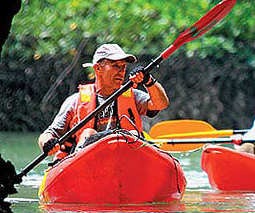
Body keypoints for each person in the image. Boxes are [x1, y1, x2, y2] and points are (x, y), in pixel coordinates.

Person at [37, 43, 169, 158]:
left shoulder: (133, 96)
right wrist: (48, 143)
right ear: (98, 68)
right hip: (88, 161)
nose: (121, 71)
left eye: (123, 67)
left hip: (127, 156)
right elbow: (49, 133)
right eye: (115, 66)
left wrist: (148, 80)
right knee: (88, 133)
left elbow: (161, 104)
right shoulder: (74, 101)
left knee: (132, 134)